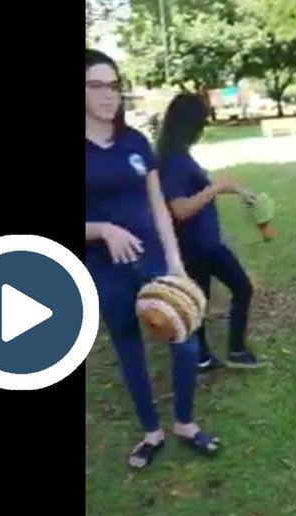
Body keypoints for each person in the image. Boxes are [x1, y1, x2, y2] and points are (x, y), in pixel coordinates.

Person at [85, 49, 220, 470]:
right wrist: (101, 230)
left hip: (154, 260)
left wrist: (176, 262)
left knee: (185, 340)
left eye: (114, 86)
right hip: (105, 269)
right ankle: (151, 431)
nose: (109, 95)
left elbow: (159, 206)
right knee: (129, 348)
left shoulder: (136, 142)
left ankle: (184, 422)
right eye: (96, 86)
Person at [156, 92, 260, 372]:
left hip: (197, 243)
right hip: (201, 245)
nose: (203, 129)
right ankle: (236, 350)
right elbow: (179, 208)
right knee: (242, 288)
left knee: (200, 300)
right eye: (201, 122)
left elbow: (194, 193)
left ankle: (201, 357)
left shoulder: (176, 155)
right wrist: (217, 187)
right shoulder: (175, 160)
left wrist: (235, 190)